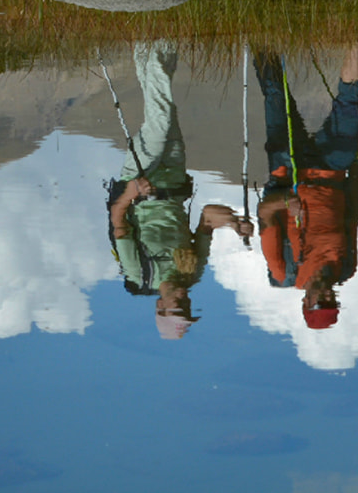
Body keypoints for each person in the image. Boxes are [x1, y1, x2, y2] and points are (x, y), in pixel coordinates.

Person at [107, 40, 252, 340]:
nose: (184, 302)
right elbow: (208, 218)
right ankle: (146, 42)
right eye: (188, 307)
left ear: (160, 307)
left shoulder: (140, 274)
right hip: (174, 176)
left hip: (139, 179)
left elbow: (118, 222)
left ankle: (164, 38)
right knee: (164, 112)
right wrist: (235, 223)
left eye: (177, 308)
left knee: (160, 122)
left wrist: (131, 191)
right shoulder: (193, 272)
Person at [252, 45, 358, 330]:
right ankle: (356, 35)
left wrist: (283, 204)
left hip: (288, 168)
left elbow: (264, 212)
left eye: (320, 302)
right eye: (332, 301)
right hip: (334, 168)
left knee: (275, 93)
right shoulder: (347, 267)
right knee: (351, 102)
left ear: (306, 303)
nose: (327, 295)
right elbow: (353, 214)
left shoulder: (283, 270)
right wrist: (355, 164)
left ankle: (261, 35)